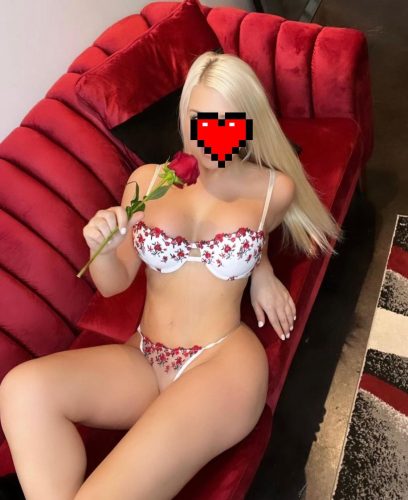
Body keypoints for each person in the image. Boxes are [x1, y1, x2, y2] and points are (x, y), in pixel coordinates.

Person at [0, 51, 343, 499]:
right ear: (186, 119)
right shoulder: (146, 182)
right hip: (144, 357)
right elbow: (114, 282)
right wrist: (102, 247)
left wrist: (262, 270)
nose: (215, 134)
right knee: (22, 389)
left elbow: (254, 237)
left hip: (221, 365)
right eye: (203, 119)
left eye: (230, 120)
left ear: (250, 124)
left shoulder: (273, 190)